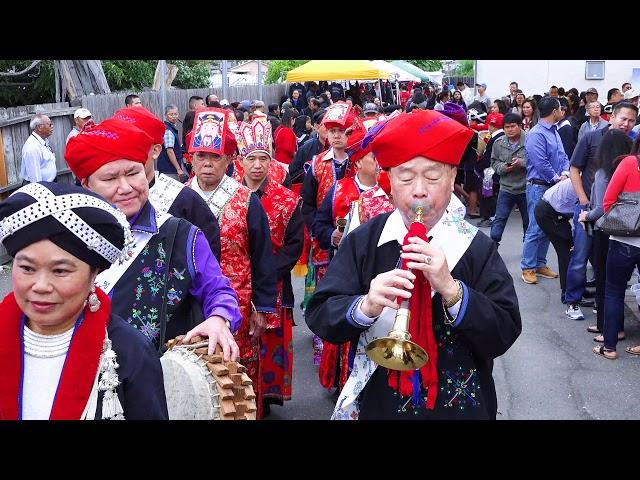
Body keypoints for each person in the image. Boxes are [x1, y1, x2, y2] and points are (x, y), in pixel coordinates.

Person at [305, 109, 521, 419]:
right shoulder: (365, 240)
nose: (419, 189)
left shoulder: (476, 247)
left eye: (432, 176)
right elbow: (320, 312)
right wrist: (365, 306)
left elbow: (505, 331)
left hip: (460, 407)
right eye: (406, 177)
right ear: (389, 181)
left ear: (451, 178)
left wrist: (452, 290)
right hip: (382, 403)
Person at [65, 117, 242, 359]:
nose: (125, 187)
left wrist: (219, 318)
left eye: (133, 173)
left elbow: (218, 290)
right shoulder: (68, 239)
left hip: (158, 380)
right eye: (109, 179)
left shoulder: (182, 235)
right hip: (83, 376)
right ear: (86, 184)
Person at [0, 181, 168, 419]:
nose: (40, 286)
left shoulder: (129, 352)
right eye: (27, 268)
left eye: (60, 271)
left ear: (94, 276)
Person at [185, 108, 277, 417]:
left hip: (238, 306)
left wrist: (263, 308)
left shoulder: (246, 200)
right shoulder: (177, 199)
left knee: (238, 376)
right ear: (190, 158)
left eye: (215, 156)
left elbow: (264, 257)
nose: (207, 164)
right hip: (188, 305)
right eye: (200, 156)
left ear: (229, 159)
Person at [236, 116, 304, 414]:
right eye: (252, 159)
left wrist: (266, 272)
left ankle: (266, 397)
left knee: (269, 346)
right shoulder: (228, 197)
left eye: (264, 158)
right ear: (241, 161)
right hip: (233, 284)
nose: (258, 166)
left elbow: (294, 246)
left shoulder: (287, 201)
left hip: (275, 283)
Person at [112, 106, 222, 261]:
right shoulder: (102, 198)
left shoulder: (185, 200)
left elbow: (208, 261)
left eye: (136, 145)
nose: (127, 153)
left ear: (156, 150)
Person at [566, 102, 639, 318]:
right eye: (623, 119)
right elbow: (574, 168)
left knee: (604, 260)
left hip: (620, 217)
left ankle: (603, 307)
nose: (626, 124)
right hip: (591, 210)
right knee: (581, 255)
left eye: (631, 120)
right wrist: (583, 200)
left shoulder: (633, 141)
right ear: (613, 116)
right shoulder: (591, 137)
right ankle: (573, 301)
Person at [577, 130, 632, 337]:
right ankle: (615, 327)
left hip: (605, 230)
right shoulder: (629, 170)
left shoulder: (602, 174)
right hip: (626, 229)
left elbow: (601, 208)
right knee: (617, 283)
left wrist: (586, 216)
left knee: (606, 283)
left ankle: (608, 328)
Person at [594, 138, 640, 359]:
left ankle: (609, 347)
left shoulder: (630, 163)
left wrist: (625, 219)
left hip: (624, 239)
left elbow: (608, 200)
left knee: (614, 291)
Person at [521, 96, 568, 284]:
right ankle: (528, 267)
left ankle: (540, 263)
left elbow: (563, 156)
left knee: (547, 226)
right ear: (554, 111)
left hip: (553, 185)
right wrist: (557, 177)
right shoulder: (536, 133)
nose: (562, 112)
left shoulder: (554, 131)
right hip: (538, 186)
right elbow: (540, 162)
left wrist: (564, 172)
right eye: (560, 109)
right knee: (535, 227)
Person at [490, 112, 529, 245]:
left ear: (520, 126)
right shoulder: (498, 142)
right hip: (506, 187)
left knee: (528, 222)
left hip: (526, 188)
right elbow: (494, 162)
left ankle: (528, 251)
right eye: (507, 127)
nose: (510, 130)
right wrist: (503, 168)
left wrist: (521, 163)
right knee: (499, 219)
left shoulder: (530, 140)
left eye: (513, 126)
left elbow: (538, 162)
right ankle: (492, 248)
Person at [21, 114, 57, 185]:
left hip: (49, 184)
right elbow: (35, 180)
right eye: (49, 124)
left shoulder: (43, 141)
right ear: (40, 127)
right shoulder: (32, 147)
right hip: (40, 188)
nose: (52, 126)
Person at [157, 104, 186, 181]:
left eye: (175, 114)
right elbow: (169, 151)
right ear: (166, 115)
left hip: (169, 169)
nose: (174, 116)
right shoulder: (168, 130)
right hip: (169, 170)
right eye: (171, 114)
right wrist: (178, 169)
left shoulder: (171, 128)